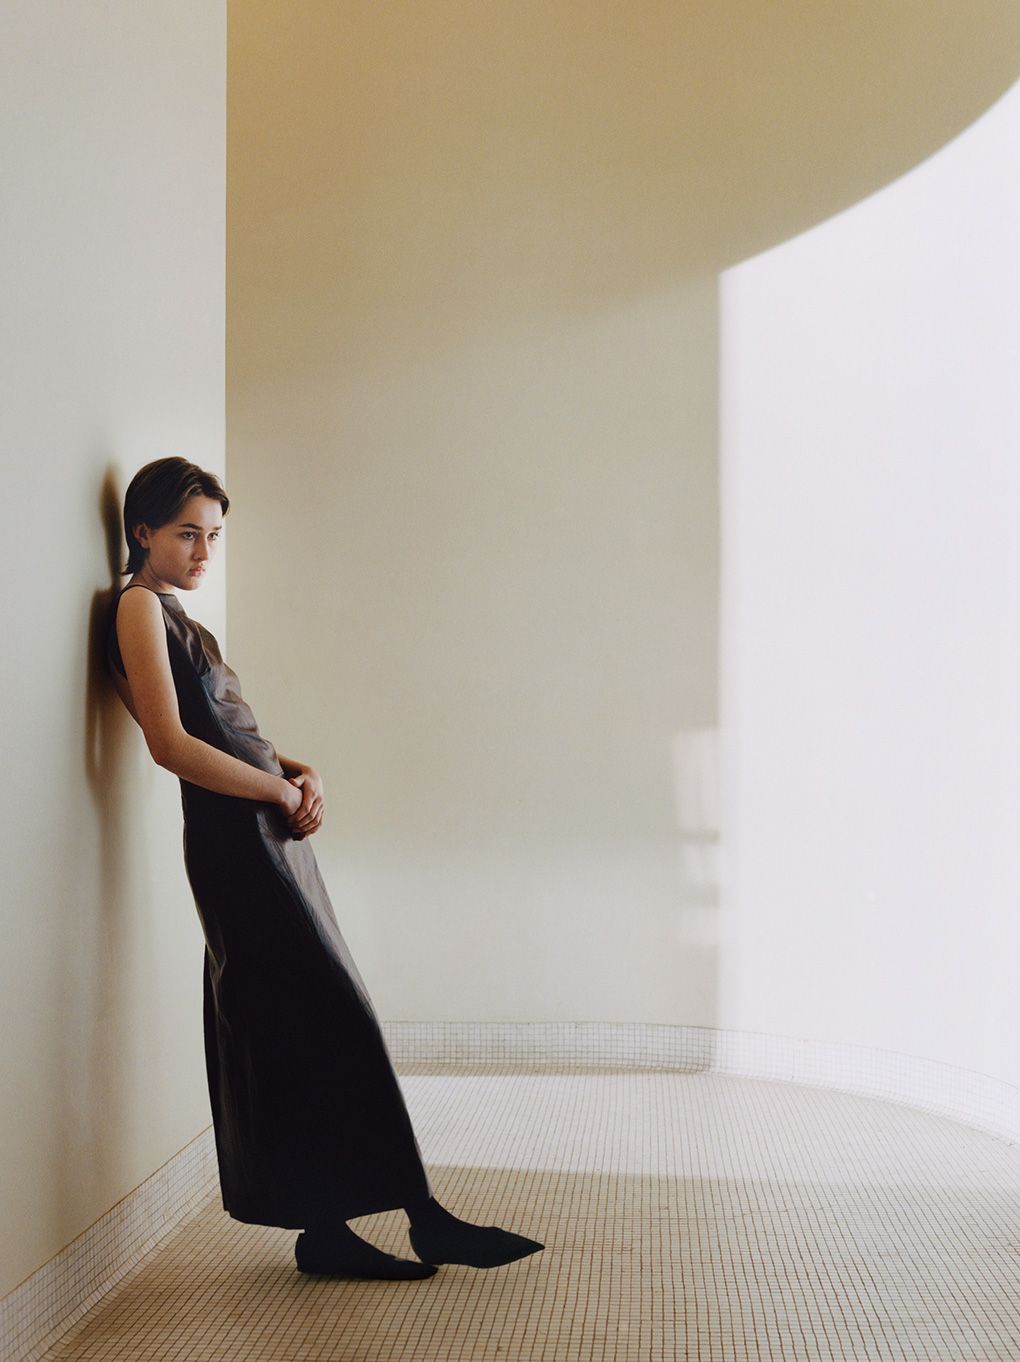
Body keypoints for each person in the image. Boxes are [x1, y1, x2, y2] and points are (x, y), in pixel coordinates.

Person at [104, 456, 544, 1281]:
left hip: (262, 833)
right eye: (188, 534)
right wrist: (277, 788)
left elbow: (221, 730)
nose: (204, 552)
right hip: (236, 845)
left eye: (214, 536)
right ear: (143, 532)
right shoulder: (136, 607)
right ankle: (405, 1221)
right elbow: (169, 745)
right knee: (328, 1018)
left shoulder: (171, 613)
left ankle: (350, 1226)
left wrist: (295, 770)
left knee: (311, 1022)